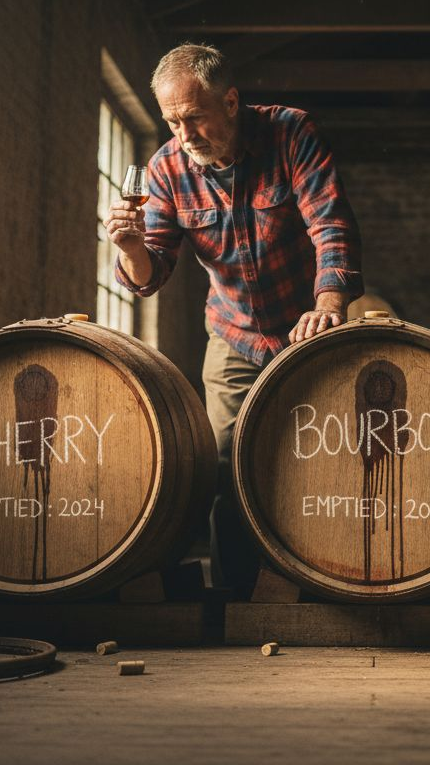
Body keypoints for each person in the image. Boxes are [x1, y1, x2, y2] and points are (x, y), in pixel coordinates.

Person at [103, 43, 364, 592]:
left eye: (195, 117)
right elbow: (152, 273)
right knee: (226, 470)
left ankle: (331, 586)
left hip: (310, 328)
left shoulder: (290, 133)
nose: (185, 134)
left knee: (326, 457)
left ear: (231, 101)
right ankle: (235, 603)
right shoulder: (167, 170)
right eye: (172, 121)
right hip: (234, 334)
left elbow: (330, 223)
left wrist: (329, 305)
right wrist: (129, 246)